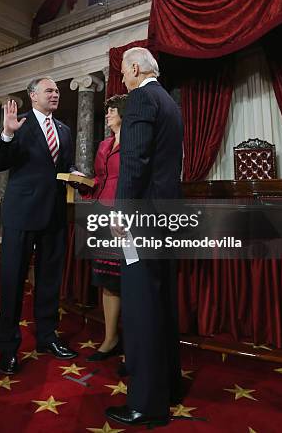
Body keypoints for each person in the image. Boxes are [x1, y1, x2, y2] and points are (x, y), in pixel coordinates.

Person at [105, 47, 184, 428]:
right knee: (163, 300)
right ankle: (169, 384)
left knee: (141, 306)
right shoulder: (169, 101)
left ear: (136, 68)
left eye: (123, 71)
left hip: (142, 220)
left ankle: (147, 404)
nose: (122, 78)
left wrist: (121, 213)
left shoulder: (140, 97)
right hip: (167, 216)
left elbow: (134, 161)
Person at [0, 76, 81, 375]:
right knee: (13, 282)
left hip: (54, 215)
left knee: (49, 281)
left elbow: (62, 167)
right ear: (33, 96)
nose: (55, 94)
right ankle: (8, 349)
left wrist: (76, 174)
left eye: (57, 90)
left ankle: (46, 338)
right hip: (22, 214)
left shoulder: (65, 130)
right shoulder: (19, 122)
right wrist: (6, 134)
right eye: (49, 90)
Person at [81, 94, 127, 362]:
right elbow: (100, 179)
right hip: (103, 215)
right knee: (108, 281)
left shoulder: (134, 142)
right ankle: (110, 339)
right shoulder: (103, 145)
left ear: (124, 113)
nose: (107, 114)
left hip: (126, 217)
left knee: (128, 281)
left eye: (112, 110)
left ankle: (132, 342)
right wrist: (83, 185)